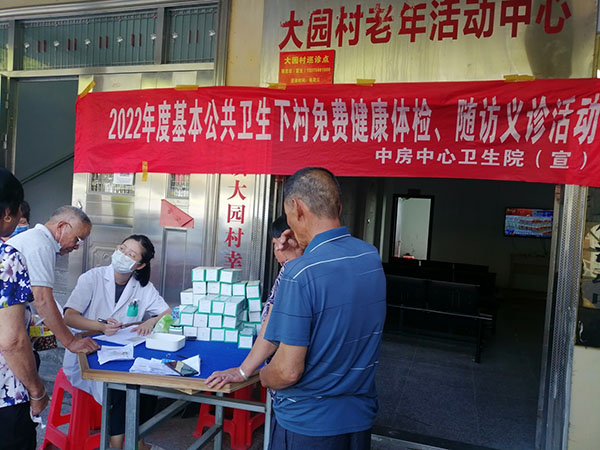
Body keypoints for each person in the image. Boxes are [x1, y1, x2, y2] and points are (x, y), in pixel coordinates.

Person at [260, 167, 386, 450]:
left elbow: (287, 372)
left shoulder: (299, 273)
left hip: (308, 425)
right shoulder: (370, 257)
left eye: (289, 216)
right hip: (358, 418)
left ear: (297, 208)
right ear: (338, 208)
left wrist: (263, 375)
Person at [63, 234, 171, 450]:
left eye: (131, 254)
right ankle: (120, 443)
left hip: (123, 350)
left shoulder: (142, 287)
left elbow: (167, 312)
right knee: (122, 386)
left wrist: (150, 321)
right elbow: (69, 317)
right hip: (88, 350)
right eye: (122, 249)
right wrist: (99, 326)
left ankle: (136, 441)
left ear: (139, 265)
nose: (123, 255)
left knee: (146, 383)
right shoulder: (92, 278)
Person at [206, 214, 302, 389]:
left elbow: (273, 326)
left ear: (289, 240)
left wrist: (243, 371)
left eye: (276, 244)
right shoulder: (310, 269)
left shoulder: (292, 273)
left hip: (291, 384)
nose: (276, 251)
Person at [8, 205, 99, 355]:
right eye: (77, 239)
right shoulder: (41, 246)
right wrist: (71, 342)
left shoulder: (35, 239)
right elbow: (42, 300)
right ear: (62, 227)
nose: (76, 247)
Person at [0, 168, 48, 449]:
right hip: (5, 397)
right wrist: (37, 390)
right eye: (18, 210)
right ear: (8, 213)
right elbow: (11, 341)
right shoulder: (6, 258)